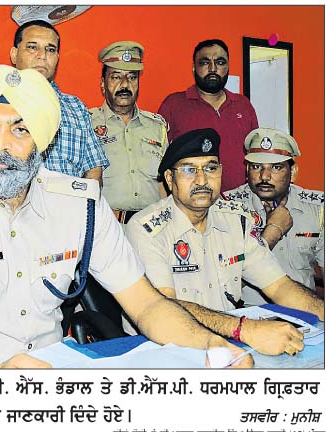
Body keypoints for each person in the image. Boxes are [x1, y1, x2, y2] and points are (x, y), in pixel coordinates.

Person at [0, 65, 251, 369]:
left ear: (44, 140)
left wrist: (214, 346)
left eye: (20, 129)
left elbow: (147, 304)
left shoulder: (80, 204)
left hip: (55, 372)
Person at [126, 128, 324, 356]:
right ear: (170, 179)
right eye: (189, 170)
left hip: (227, 341)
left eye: (210, 168)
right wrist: (244, 329)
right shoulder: (146, 228)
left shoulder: (236, 219)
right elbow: (163, 306)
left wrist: (322, 310)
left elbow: (280, 286)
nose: (202, 180)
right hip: (163, 348)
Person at [0, 19, 108, 186]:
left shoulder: (75, 107)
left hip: (65, 200)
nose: (42, 56)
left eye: (50, 49)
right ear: (14, 54)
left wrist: (85, 200)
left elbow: (94, 168)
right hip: (3, 199)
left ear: (57, 58)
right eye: (32, 47)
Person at [224, 127, 324, 303]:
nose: (264, 176)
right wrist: (272, 232)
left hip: (303, 311)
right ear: (246, 170)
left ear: (293, 172)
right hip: (248, 312)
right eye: (256, 167)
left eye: (276, 167)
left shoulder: (317, 208)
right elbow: (225, 283)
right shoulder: (226, 208)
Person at [158, 39, 258, 191]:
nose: (213, 68)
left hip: (240, 200)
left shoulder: (243, 105)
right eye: (205, 62)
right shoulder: (174, 105)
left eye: (220, 62)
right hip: (192, 198)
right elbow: (158, 159)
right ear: (194, 68)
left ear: (228, 67)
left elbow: (256, 155)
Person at [89, 41, 168, 224]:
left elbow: (164, 183)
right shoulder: (87, 124)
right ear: (103, 84)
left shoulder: (157, 127)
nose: (125, 84)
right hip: (107, 227)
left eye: (132, 77)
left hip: (152, 228)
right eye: (116, 77)